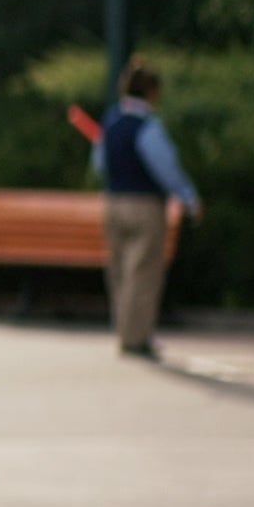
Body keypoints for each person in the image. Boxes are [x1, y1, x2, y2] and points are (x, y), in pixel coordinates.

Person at [96, 59, 202, 359]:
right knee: (142, 273)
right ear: (152, 92)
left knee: (120, 271)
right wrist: (189, 197)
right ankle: (136, 338)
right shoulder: (148, 127)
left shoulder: (112, 121)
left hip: (114, 202)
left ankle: (126, 331)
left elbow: (100, 163)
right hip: (145, 203)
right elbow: (166, 167)